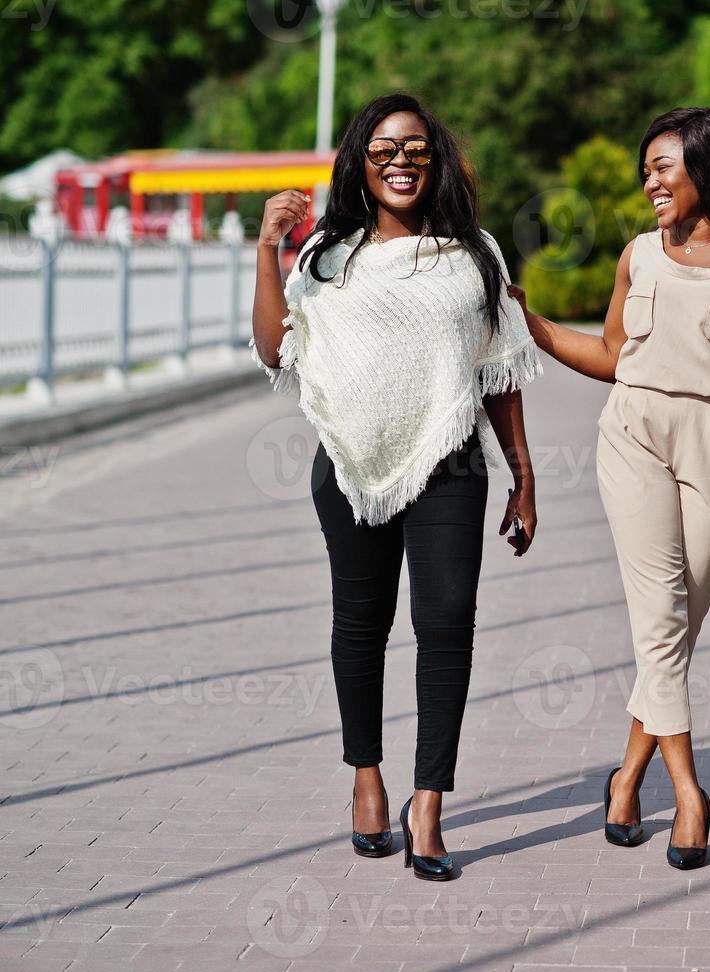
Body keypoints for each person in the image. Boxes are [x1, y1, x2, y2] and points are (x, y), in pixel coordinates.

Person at [250, 93, 542, 882]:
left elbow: (500, 372)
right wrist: (268, 250)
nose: (400, 163)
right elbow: (276, 350)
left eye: (414, 149)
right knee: (362, 624)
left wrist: (523, 473)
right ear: (360, 164)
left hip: (450, 461)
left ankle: (429, 804)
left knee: (446, 623)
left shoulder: (473, 253)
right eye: (383, 151)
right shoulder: (324, 257)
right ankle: (366, 781)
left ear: (435, 159)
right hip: (349, 464)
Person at [507, 107, 710, 870]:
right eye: (647, 169)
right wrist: (531, 324)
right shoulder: (637, 254)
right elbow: (612, 355)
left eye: (661, 166)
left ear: (708, 168)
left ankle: (626, 777)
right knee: (660, 616)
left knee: (676, 624)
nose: (649, 182)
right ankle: (689, 791)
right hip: (633, 432)